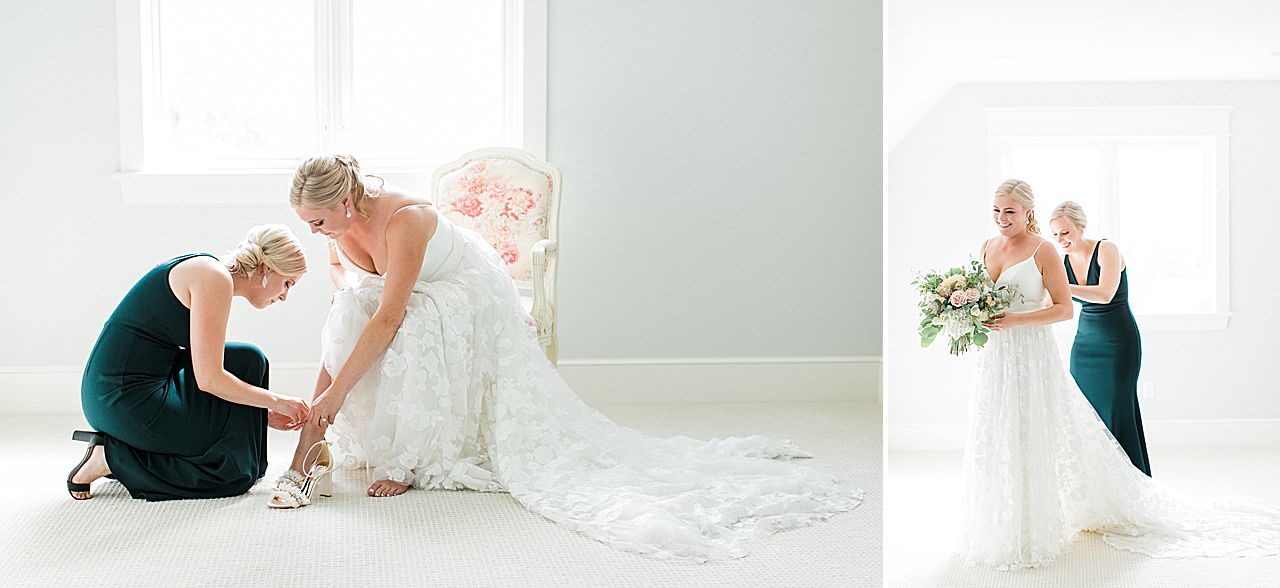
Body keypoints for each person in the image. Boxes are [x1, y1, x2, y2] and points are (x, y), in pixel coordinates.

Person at [272, 154, 860, 561]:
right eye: (307, 223)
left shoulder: (406, 220)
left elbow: (392, 316)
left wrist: (335, 395)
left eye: (319, 220)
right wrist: (319, 405)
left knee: (421, 326)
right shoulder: (338, 232)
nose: (315, 231)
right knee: (349, 310)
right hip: (404, 295)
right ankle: (317, 444)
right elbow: (349, 321)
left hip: (461, 289)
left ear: (348, 200)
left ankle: (408, 457)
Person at [961, 179, 1279, 569]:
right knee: (997, 430)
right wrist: (959, 310)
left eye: (1009, 211)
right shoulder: (987, 246)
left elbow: (1063, 308)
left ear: (1028, 212)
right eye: (996, 210)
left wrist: (1014, 319)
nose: (1000, 218)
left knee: (1047, 427)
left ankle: (1089, 501)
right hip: (995, 356)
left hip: (1039, 350)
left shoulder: (1046, 251)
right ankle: (997, 523)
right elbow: (982, 296)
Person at [68, 225, 312, 501]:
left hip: (148, 383)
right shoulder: (214, 278)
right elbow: (209, 379)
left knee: (248, 361)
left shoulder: (213, 272)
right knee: (229, 475)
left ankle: (239, 466)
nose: (284, 296)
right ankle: (111, 457)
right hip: (121, 398)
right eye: (288, 283)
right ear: (266, 270)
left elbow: (204, 367)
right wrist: (276, 401)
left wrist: (261, 415)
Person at [1050, 201, 1149, 475]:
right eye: (1055, 234)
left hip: (1118, 342)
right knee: (1084, 414)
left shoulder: (1107, 249)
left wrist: (1060, 285)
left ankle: (1131, 480)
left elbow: (1105, 294)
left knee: (1117, 409)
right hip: (1084, 345)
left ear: (1081, 227)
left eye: (1065, 232)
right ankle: (1098, 483)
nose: (1061, 239)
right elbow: (1056, 303)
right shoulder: (1064, 261)